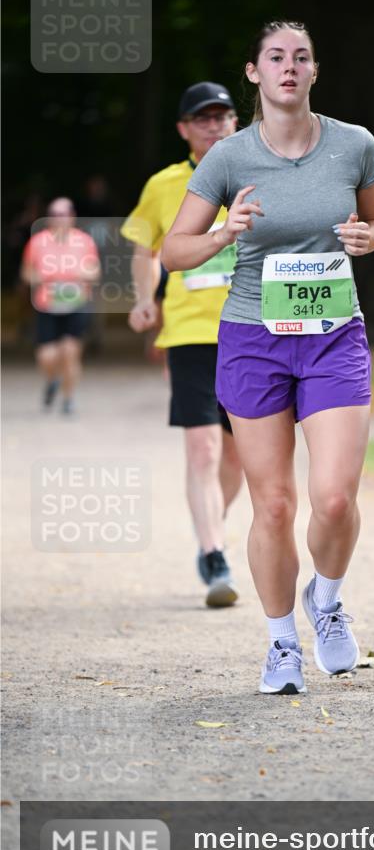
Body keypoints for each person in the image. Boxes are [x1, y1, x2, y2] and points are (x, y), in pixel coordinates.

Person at [162, 20, 374, 695]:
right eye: (274, 58)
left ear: (314, 71)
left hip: (331, 334)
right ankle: (282, 643)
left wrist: (367, 237)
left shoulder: (354, 146)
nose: (289, 67)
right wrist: (222, 233)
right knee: (275, 505)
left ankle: (327, 598)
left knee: (336, 498)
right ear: (254, 73)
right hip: (252, 339)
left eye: (301, 57)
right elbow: (173, 252)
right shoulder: (227, 158)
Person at [121, 82, 243, 608]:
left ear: (236, 122)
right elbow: (146, 249)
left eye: (223, 116)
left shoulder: (259, 174)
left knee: (238, 456)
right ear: (184, 129)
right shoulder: (165, 184)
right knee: (203, 448)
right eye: (203, 118)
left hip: (252, 330)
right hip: (190, 334)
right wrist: (145, 298)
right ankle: (214, 551)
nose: (214, 125)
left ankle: (210, 524)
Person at [20, 197, 100, 415]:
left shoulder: (84, 241)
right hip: (47, 304)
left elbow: (95, 271)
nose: (59, 219)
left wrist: (80, 274)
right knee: (47, 356)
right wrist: (43, 277)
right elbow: (26, 272)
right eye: (54, 214)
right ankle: (52, 379)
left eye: (63, 214)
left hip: (76, 302)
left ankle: (68, 399)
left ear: (72, 217)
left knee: (70, 352)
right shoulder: (37, 242)